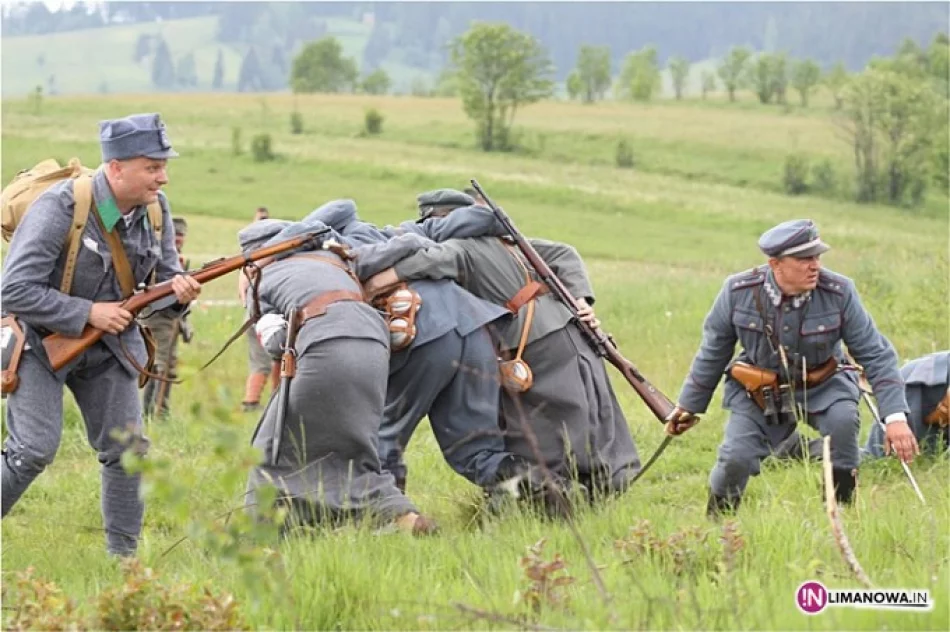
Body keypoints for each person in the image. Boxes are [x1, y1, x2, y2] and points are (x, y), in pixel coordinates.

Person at [1, 113, 201, 555]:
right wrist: (89, 311)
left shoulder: (154, 210)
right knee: (32, 451)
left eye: (163, 166)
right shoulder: (61, 208)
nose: (163, 178)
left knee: (127, 452)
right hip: (38, 343)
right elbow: (13, 289)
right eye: (152, 167)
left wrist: (180, 293)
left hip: (109, 348)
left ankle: (122, 565)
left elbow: (163, 283)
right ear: (116, 167)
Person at [364, 190, 643, 504]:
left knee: (539, 425)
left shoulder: (460, 248)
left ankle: (551, 493)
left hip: (533, 341)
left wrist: (369, 283)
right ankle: (609, 483)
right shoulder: (509, 242)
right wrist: (581, 301)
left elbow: (421, 262)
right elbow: (565, 253)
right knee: (591, 408)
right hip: (569, 327)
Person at [666, 219, 918, 517]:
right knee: (735, 457)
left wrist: (895, 418)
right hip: (761, 390)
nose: (815, 266)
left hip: (825, 384)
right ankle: (718, 525)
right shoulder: (737, 291)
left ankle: (842, 519)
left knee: (843, 424)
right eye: (804, 259)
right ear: (776, 264)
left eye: (817, 257)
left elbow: (876, 354)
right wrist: (688, 406)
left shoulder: (839, 292)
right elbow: (713, 351)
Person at [303, 196, 539, 496]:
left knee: (380, 437)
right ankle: (544, 490)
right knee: (478, 448)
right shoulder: (404, 232)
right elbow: (488, 217)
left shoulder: (332, 256)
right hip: (477, 328)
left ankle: (387, 520)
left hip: (425, 334)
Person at [239, 219, 439, 535]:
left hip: (327, 344)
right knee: (356, 450)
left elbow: (276, 344)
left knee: (272, 449)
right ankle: (404, 520)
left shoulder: (260, 278)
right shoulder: (338, 257)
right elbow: (409, 242)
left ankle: (259, 534)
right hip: (376, 342)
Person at [140, 216, 193, 419]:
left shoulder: (178, 258)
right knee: (157, 366)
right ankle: (149, 413)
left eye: (181, 235)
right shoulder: (156, 254)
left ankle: (161, 411)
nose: (178, 239)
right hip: (155, 315)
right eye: (176, 235)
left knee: (169, 367)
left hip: (173, 318)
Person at [239, 207, 279, 412]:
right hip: (265, 319)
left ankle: (253, 401)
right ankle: (270, 401)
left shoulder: (248, 265)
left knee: (260, 362)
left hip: (252, 318)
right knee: (276, 358)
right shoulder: (270, 266)